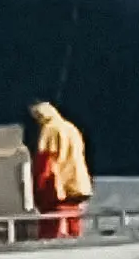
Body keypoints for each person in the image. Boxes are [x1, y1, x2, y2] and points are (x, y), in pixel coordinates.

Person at [28, 99, 93, 237]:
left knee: (52, 227)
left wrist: (38, 189)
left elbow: (45, 161)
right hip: (78, 184)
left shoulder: (50, 129)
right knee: (74, 222)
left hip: (58, 188)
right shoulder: (71, 128)